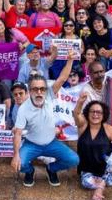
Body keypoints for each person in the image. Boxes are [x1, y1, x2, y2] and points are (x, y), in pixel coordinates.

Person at [12, 52, 79, 187]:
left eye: (42, 89)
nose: (39, 92)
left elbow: (62, 78)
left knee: (74, 160)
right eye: (35, 89)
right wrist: (15, 155)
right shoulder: (23, 109)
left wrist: (70, 60)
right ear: (29, 91)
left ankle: (51, 169)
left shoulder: (49, 96)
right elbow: (18, 133)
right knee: (20, 164)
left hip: (51, 142)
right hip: (31, 144)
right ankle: (30, 172)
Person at [73, 94, 112, 200]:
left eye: (99, 112)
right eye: (92, 111)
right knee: (86, 183)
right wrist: (80, 102)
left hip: (107, 165)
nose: (95, 114)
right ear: (88, 113)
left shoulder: (109, 129)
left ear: (104, 115)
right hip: (88, 169)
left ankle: (100, 189)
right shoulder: (82, 126)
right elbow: (76, 113)